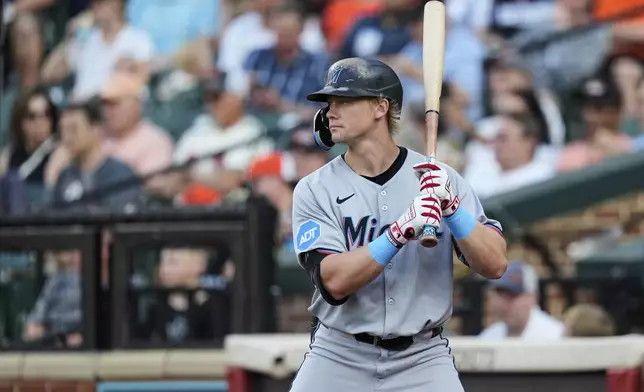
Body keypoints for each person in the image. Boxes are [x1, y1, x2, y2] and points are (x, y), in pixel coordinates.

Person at [289, 57, 507, 392]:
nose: (331, 111)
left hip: (422, 358)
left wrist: (452, 209)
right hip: (339, 354)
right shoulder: (314, 188)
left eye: (345, 101)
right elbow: (334, 281)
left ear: (380, 107)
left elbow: (495, 264)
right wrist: (398, 232)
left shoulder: (439, 179)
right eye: (330, 103)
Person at [479, 260, 565, 340]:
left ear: (532, 297)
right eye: (501, 295)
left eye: (512, 296)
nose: (504, 303)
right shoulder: (489, 336)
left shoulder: (556, 335)